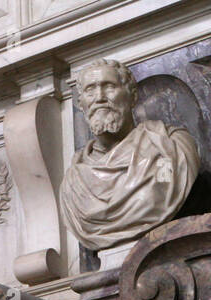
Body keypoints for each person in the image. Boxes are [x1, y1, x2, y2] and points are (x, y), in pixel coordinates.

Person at [59, 58, 200, 251]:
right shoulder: (73, 182)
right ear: (80, 102)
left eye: (109, 87)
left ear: (132, 97)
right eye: (90, 90)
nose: (99, 97)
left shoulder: (167, 147)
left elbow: (163, 184)